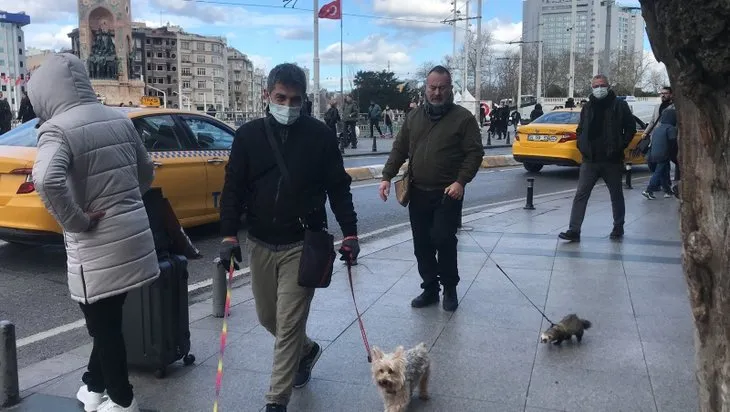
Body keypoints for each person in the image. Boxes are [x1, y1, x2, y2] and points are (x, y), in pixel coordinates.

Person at [218, 63, 359, 412]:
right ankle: (307, 350)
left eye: (295, 99)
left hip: (303, 242)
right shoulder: (248, 136)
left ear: (304, 99)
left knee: (289, 321)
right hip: (262, 242)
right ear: (267, 95)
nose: (288, 105)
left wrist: (351, 233)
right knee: (270, 319)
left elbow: (339, 189)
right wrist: (227, 236)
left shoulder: (320, 136)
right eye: (281, 97)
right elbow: (233, 187)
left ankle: (275, 401)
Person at [28, 53, 158, 412]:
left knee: (104, 327)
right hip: (132, 239)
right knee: (109, 320)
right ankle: (94, 384)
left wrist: (77, 220)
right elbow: (146, 172)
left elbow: (45, 179)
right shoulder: (119, 119)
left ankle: (121, 399)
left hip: (96, 245)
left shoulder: (56, 129)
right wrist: (124, 200)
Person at [378, 65, 484, 312]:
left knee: (443, 239)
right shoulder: (414, 117)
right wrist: (386, 177)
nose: (436, 92)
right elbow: (399, 149)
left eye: (442, 88)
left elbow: (474, 154)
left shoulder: (463, 119)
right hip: (418, 192)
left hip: (448, 193)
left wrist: (461, 182)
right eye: (432, 87)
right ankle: (429, 289)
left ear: (450, 89)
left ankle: (450, 288)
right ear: (425, 88)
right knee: (422, 243)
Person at [558, 74, 636, 242]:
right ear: (592, 88)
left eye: (602, 85)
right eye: (596, 86)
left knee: (616, 195)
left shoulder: (619, 105)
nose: (599, 88)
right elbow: (580, 129)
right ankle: (574, 230)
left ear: (608, 86)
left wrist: (620, 146)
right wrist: (581, 144)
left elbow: (631, 128)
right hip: (590, 159)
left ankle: (618, 227)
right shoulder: (588, 107)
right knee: (581, 194)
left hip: (612, 159)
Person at [643, 86, 679, 188]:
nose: (663, 95)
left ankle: (663, 184)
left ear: (671, 94)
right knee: (652, 161)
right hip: (656, 137)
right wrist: (645, 133)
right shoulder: (657, 107)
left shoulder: (674, 107)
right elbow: (652, 121)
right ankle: (664, 183)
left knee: (664, 162)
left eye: (666, 93)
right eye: (661, 93)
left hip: (668, 137)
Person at [642, 106, 677, 199]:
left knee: (663, 172)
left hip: (654, 154)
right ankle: (648, 190)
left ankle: (668, 191)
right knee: (658, 172)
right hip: (664, 154)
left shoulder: (658, 128)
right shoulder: (670, 128)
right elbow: (672, 142)